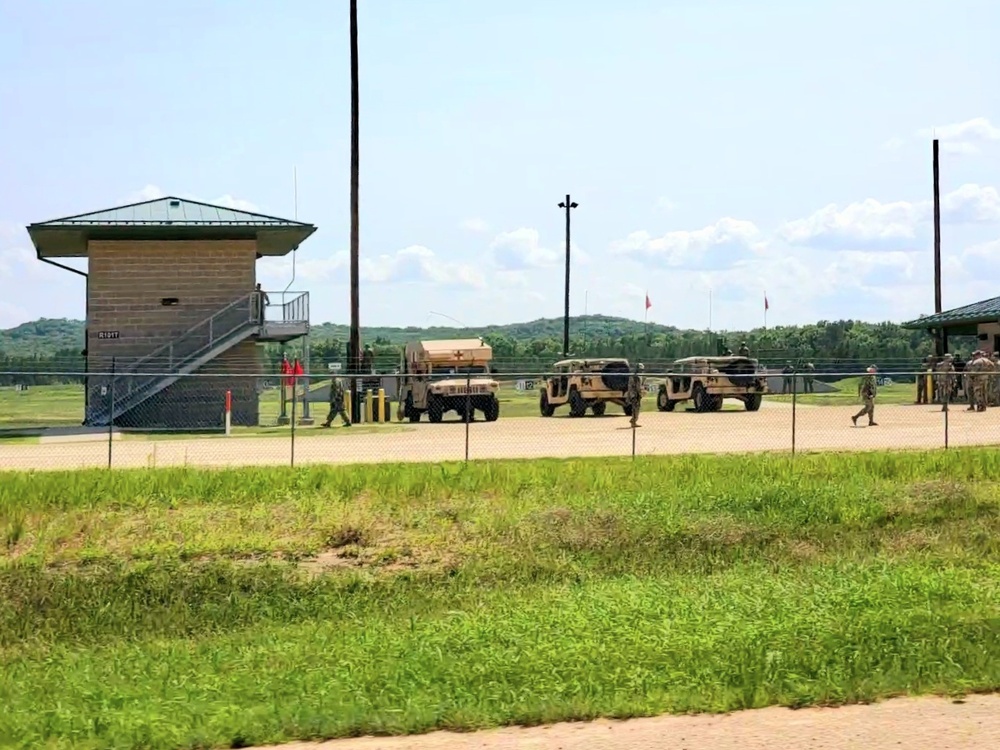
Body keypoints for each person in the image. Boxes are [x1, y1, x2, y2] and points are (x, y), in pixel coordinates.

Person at [627, 363, 644, 427]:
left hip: (634, 394)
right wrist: (640, 394)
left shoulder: (636, 376)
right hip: (634, 395)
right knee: (635, 408)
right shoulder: (636, 377)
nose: (641, 371)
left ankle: (634, 420)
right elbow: (637, 387)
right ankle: (633, 420)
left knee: (636, 408)